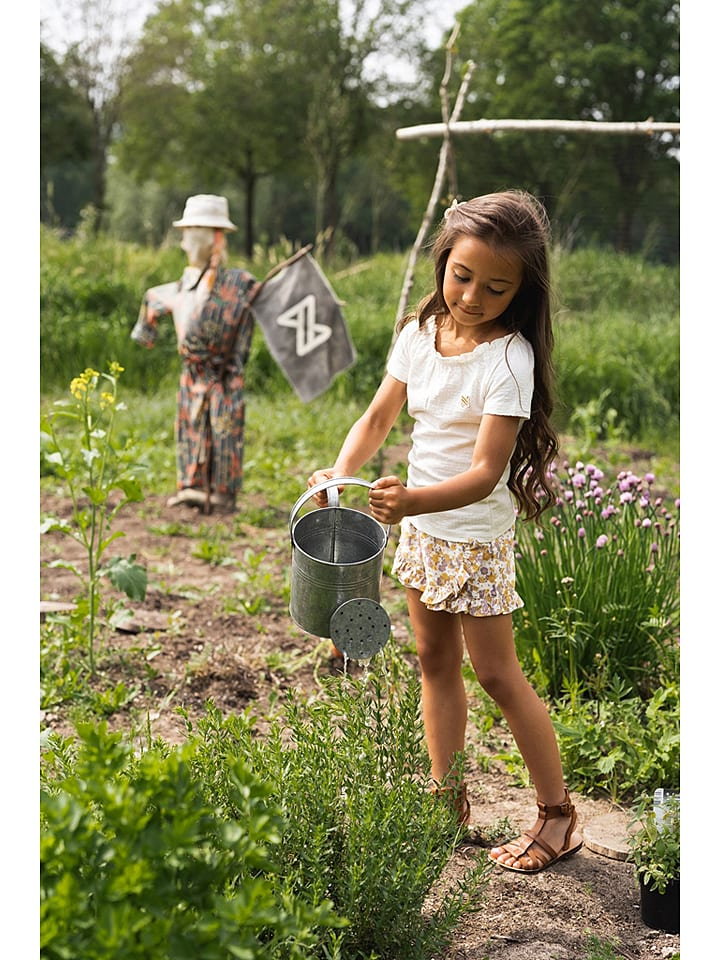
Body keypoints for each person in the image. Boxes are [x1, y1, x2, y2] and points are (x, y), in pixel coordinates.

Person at [307, 190, 583, 874]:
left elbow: (488, 472)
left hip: (474, 537)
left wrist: (413, 502)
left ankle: (558, 815)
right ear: (443, 263)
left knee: (496, 674)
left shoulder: (507, 359)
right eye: (462, 277)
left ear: (521, 292)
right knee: (434, 664)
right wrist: (343, 474)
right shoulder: (416, 334)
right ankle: (445, 800)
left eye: (496, 287)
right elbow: (376, 419)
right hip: (424, 531)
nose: (472, 297)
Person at [132, 195, 256, 513]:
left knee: (224, 429)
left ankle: (223, 493)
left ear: (210, 237)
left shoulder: (240, 283)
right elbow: (160, 304)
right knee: (191, 426)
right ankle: (193, 486)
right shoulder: (182, 286)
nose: (186, 241)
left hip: (225, 372)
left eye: (191, 233)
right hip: (194, 372)